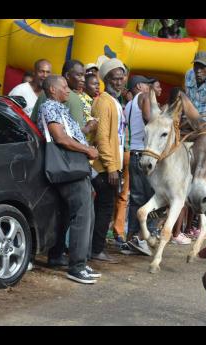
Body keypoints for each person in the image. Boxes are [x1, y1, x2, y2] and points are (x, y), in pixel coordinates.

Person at [37, 75, 99, 284]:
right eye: (63, 87)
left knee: (65, 213)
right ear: (52, 90)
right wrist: (88, 150)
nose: (68, 90)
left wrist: (86, 132)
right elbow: (61, 138)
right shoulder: (50, 107)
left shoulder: (58, 108)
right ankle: (77, 266)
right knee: (83, 214)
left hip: (73, 166)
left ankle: (57, 256)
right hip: (70, 168)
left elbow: (69, 134)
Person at [90, 58, 127, 262]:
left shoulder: (115, 102)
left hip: (113, 166)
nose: (119, 82)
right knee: (104, 210)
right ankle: (96, 249)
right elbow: (101, 137)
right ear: (106, 79)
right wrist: (112, 167)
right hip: (105, 168)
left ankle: (95, 247)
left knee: (104, 209)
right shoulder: (104, 102)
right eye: (115, 78)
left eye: (122, 78)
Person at [123, 75, 162, 248]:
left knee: (137, 200)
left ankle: (130, 238)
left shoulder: (129, 104)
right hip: (146, 155)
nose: (150, 87)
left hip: (133, 154)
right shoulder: (145, 97)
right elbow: (149, 118)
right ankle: (144, 236)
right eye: (147, 84)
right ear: (139, 86)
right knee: (156, 198)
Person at [31, 60, 86, 129]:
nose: (83, 79)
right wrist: (90, 126)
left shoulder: (44, 92)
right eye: (79, 75)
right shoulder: (75, 100)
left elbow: (33, 122)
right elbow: (78, 132)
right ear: (68, 75)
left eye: (84, 76)